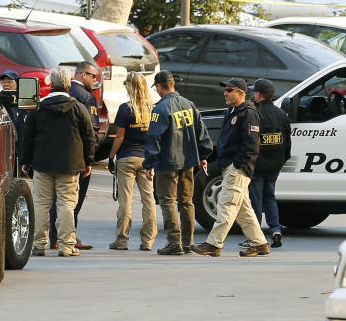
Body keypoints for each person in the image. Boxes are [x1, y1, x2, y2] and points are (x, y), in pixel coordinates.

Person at [21, 66, 96, 258]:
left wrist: (26, 161)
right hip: (70, 165)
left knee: (41, 205)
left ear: (51, 84)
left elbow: (27, 137)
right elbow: (89, 137)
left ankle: (38, 244)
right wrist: (88, 161)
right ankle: (66, 246)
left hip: (42, 164)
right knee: (66, 205)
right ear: (68, 84)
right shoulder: (77, 108)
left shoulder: (38, 108)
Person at [193, 78, 271, 258]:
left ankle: (213, 244)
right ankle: (260, 243)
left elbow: (252, 145)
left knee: (226, 205)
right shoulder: (233, 111)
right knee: (244, 210)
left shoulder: (248, 113)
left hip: (237, 168)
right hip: (230, 166)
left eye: (230, 90)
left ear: (241, 94)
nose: (225, 93)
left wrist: (238, 165)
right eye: (226, 90)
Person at [142, 70, 213, 256]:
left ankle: (174, 242)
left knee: (167, 201)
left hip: (167, 163)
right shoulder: (189, 105)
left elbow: (153, 138)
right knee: (186, 202)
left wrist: (148, 164)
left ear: (159, 87)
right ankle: (188, 242)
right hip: (188, 162)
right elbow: (202, 133)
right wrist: (203, 155)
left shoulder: (160, 109)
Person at [48, 61, 99, 250]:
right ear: (83, 74)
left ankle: (54, 236)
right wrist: (90, 159)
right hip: (76, 156)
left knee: (55, 199)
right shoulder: (86, 97)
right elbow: (91, 131)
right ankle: (69, 236)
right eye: (93, 76)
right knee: (71, 201)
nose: (96, 81)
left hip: (54, 154)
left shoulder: (58, 94)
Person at [108, 72, 158, 251]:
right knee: (148, 199)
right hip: (146, 158)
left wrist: (111, 156)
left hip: (127, 158)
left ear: (129, 86)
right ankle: (148, 241)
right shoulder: (153, 109)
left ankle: (121, 240)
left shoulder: (125, 109)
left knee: (125, 201)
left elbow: (119, 137)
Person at [244, 78, 292, 249]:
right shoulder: (282, 115)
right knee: (270, 196)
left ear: (258, 94)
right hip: (274, 165)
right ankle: (275, 229)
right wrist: (280, 161)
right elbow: (287, 144)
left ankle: (255, 236)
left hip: (257, 165)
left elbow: (250, 141)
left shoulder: (255, 114)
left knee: (255, 199)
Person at [0, 70, 24, 169]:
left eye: (9, 81)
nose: (6, 84)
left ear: (17, 83)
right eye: (3, 82)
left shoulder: (23, 98)